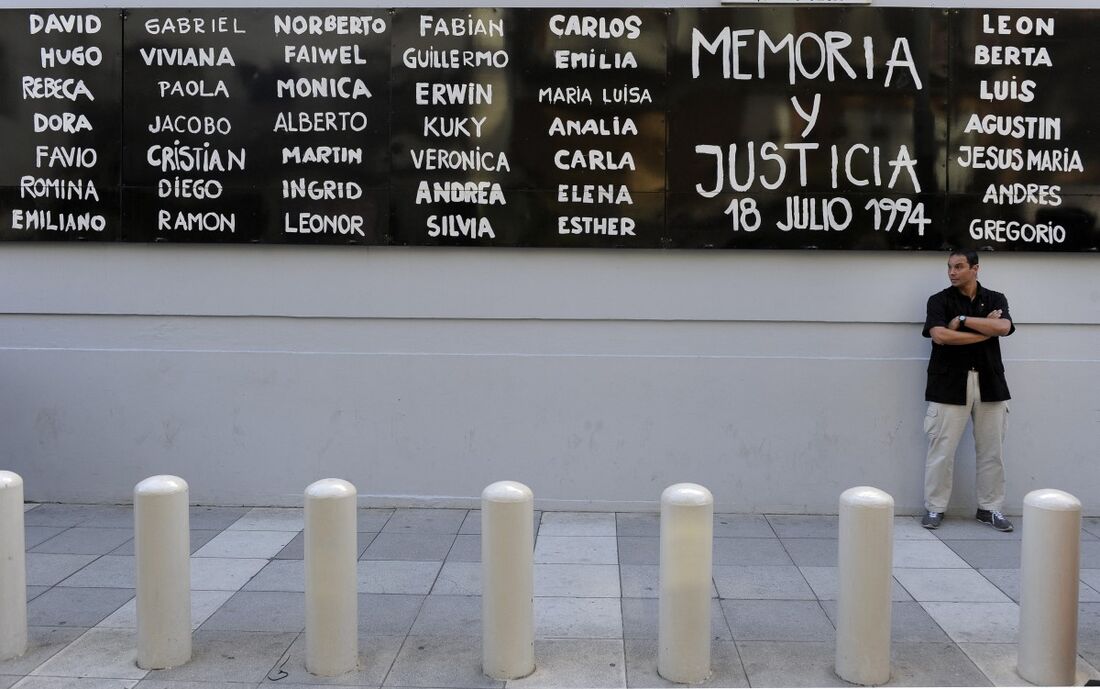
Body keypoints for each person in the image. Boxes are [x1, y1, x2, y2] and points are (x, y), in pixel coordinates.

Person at [920, 250, 1015, 531]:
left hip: (990, 383)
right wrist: (984, 332)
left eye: (959, 266)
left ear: (975, 268)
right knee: (942, 449)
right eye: (949, 266)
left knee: (992, 450)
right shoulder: (939, 300)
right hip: (949, 383)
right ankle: (935, 508)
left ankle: (990, 508)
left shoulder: (996, 298)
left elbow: (1003, 326)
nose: (952, 272)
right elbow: (940, 335)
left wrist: (962, 319)